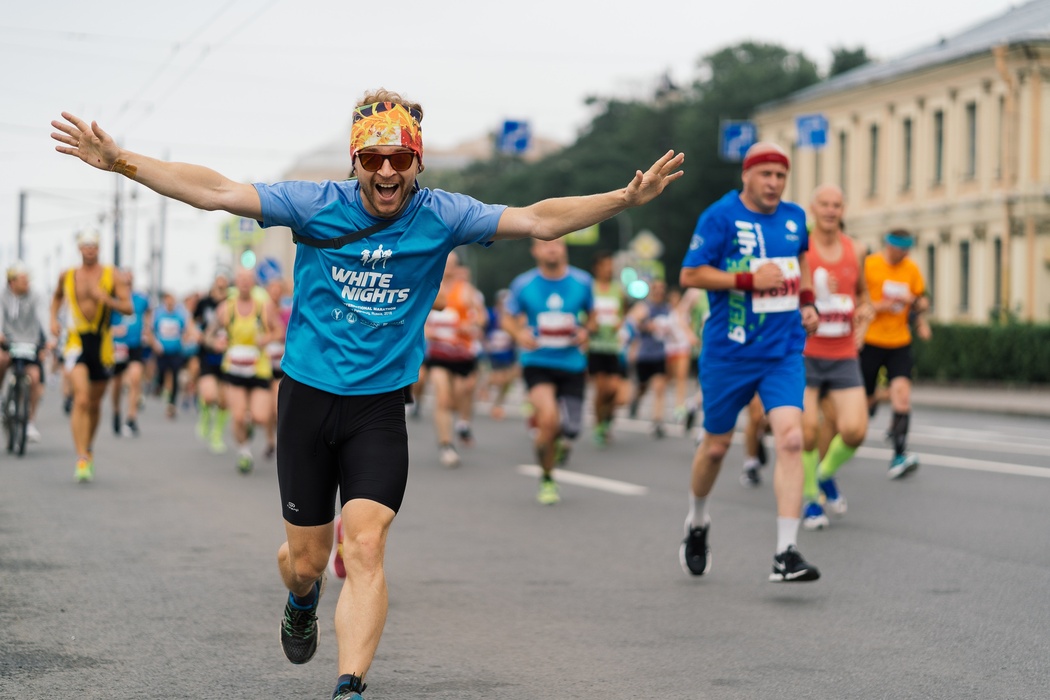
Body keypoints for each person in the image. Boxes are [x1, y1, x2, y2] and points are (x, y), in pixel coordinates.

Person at [51, 91, 683, 699]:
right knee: (306, 561)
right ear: (355, 163)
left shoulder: (442, 215)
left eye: (399, 160)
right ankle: (302, 601)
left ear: (416, 165)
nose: (386, 171)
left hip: (379, 406)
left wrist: (625, 198)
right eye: (372, 160)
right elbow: (216, 191)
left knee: (366, 546)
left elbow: (541, 218)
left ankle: (350, 685)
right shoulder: (311, 204)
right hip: (306, 397)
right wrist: (121, 161)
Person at [677, 142, 821, 583]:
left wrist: (809, 302)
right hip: (729, 354)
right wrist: (747, 279)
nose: (774, 183)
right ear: (747, 175)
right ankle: (697, 520)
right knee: (717, 447)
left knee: (792, 440)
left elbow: (802, 261)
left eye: (781, 175)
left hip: (782, 353)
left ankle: (786, 552)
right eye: (766, 175)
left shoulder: (796, 217)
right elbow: (690, 274)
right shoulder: (720, 217)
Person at [799, 184, 874, 529]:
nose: (831, 210)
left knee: (855, 431)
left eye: (837, 205)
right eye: (825, 204)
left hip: (843, 353)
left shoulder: (855, 249)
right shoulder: (801, 248)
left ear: (843, 210)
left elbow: (863, 295)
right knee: (808, 431)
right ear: (813, 208)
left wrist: (864, 310)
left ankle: (825, 473)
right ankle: (811, 500)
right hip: (804, 352)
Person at [503, 238, 593, 504]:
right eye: (545, 244)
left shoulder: (583, 281)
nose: (551, 248)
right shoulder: (523, 283)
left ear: (564, 248)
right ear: (535, 251)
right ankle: (547, 478)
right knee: (549, 420)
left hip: (572, 363)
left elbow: (593, 314)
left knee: (572, 428)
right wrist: (519, 334)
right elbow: (507, 317)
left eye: (557, 243)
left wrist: (586, 330)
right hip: (537, 362)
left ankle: (558, 440)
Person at [49, 229, 132, 482]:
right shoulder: (68, 275)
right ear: (79, 248)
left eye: (93, 246)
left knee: (95, 404)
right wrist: (53, 319)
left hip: (102, 342)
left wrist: (106, 298)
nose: (89, 250)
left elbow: (128, 307)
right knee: (82, 399)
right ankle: (81, 457)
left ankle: (89, 447)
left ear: (98, 248)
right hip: (75, 340)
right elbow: (56, 298)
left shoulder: (112, 274)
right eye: (85, 246)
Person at [860, 228, 931, 479]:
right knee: (865, 402)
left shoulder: (911, 269)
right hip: (870, 341)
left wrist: (918, 308)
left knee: (902, 396)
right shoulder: (870, 265)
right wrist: (879, 305)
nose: (905, 253)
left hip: (899, 341)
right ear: (889, 246)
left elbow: (922, 302)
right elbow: (857, 300)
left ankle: (899, 455)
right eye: (901, 248)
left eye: (908, 249)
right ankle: (850, 429)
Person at [207, 268, 277, 474]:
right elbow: (208, 335)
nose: (245, 283)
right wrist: (216, 343)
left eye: (248, 279)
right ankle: (244, 451)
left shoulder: (264, 307)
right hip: (234, 369)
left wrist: (267, 338)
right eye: (241, 279)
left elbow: (279, 330)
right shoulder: (225, 309)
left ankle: (248, 429)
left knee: (260, 417)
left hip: (258, 369)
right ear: (235, 283)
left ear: (254, 283)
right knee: (238, 416)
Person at [421, 251, 485, 468]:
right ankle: (446, 444)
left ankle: (463, 423)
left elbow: (481, 317)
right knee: (443, 397)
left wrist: (472, 325)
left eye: (452, 264)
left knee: (460, 395)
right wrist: (424, 330)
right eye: (444, 262)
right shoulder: (428, 286)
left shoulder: (466, 291)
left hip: (462, 354)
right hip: (438, 354)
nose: (447, 268)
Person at [0, 261, 48, 443]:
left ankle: (29, 421)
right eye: (22, 279)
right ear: (12, 281)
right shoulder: (2, 295)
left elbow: (43, 316)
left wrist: (49, 341)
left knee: (34, 378)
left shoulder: (35, 296)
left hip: (29, 343)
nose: (27, 282)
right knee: (1, 360)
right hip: (8, 341)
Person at [586, 250, 628, 447]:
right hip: (595, 345)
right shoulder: (590, 289)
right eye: (605, 266)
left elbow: (621, 313)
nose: (609, 269)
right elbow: (581, 312)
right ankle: (599, 425)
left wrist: (619, 323)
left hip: (612, 345)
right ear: (597, 268)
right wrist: (589, 324)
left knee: (614, 391)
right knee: (601, 388)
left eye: (611, 266)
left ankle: (607, 417)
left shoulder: (617, 290)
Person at [626, 278, 673, 438]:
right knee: (643, 386)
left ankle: (657, 421)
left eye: (662, 289)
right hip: (644, 354)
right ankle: (635, 401)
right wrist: (647, 325)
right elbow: (632, 322)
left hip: (660, 354)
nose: (659, 292)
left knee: (660, 387)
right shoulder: (644, 307)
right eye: (656, 289)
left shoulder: (667, 309)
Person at [108, 269, 151, 436]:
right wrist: (112, 330)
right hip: (117, 346)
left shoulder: (141, 299)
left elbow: (148, 314)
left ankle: (131, 418)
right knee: (117, 383)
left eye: (129, 280)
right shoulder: (112, 298)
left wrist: (147, 328)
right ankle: (117, 410)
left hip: (135, 345)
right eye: (124, 280)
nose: (127, 283)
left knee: (135, 378)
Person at [193, 273, 232, 453]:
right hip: (208, 354)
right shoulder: (205, 303)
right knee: (209, 395)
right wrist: (199, 336)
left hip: (229, 357)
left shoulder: (233, 302)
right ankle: (206, 416)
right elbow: (192, 322)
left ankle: (217, 434)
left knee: (224, 401)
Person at [264, 276, 292, 459]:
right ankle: (269, 440)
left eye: (278, 289)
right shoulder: (261, 309)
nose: (275, 292)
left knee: (275, 408)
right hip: (261, 364)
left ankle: (274, 440)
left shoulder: (288, 312)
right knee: (265, 410)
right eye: (272, 289)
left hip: (279, 363)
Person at [480, 289, 518, 421]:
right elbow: (482, 329)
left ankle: (497, 405)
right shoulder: (491, 314)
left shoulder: (513, 316)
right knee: (499, 378)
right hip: (494, 352)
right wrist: (485, 344)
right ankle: (485, 385)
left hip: (509, 352)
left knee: (509, 379)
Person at [152, 291, 190, 419]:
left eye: (172, 301)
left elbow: (185, 330)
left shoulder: (179, 315)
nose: (170, 304)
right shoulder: (158, 314)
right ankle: (159, 386)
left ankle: (172, 403)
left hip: (175, 351)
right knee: (162, 373)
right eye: (168, 301)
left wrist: (184, 341)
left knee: (175, 377)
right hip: (162, 352)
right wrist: (155, 344)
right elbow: (151, 330)